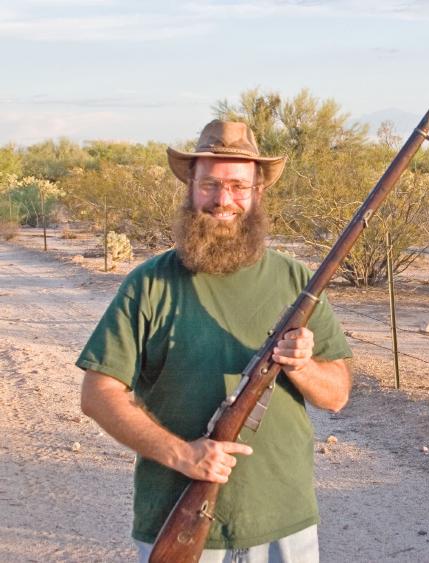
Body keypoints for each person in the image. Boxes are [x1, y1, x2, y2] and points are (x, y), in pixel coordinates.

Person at [78, 120, 352, 563]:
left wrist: (302, 366)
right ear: (190, 186)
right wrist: (184, 455)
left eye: (238, 186)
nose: (224, 200)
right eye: (210, 185)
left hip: (284, 520)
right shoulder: (149, 283)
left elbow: (337, 394)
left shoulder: (296, 280)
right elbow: (97, 394)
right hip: (175, 519)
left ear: (258, 192)